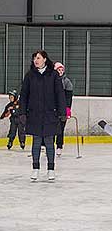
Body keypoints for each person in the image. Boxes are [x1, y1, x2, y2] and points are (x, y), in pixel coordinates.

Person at [19, 50, 66, 181]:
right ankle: (36, 168)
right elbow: (24, 95)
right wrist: (22, 112)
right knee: (36, 142)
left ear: (45, 59)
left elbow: (60, 94)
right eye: (34, 58)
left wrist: (62, 112)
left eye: (38, 58)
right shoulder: (30, 75)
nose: (36, 60)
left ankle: (51, 169)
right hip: (34, 114)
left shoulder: (54, 75)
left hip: (50, 114)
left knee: (50, 142)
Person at [53, 62, 74, 156]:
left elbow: (69, 98)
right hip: (52, 109)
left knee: (60, 128)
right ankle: (47, 145)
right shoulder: (51, 81)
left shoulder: (67, 82)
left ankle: (59, 146)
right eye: (58, 69)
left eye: (62, 70)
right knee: (50, 127)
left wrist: (68, 109)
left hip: (62, 109)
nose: (60, 71)